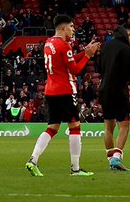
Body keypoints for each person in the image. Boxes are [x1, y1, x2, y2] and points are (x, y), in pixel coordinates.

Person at [25, 14, 101, 177]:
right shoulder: (64, 45)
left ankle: (33, 159)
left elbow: (67, 60)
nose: (73, 30)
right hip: (66, 90)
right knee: (75, 127)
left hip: (51, 91)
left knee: (52, 127)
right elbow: (74, 69)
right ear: (62, 28)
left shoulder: (49, 42)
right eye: (71, 26)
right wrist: (87, 56)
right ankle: (75, 169)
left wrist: (84, 51)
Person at [97, 23, 130, 171]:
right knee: (124, 125)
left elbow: (99, 67)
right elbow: (127, 73)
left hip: (104, 89)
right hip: (119, 90)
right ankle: (116, 158)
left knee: (108, 126)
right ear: (127, 33)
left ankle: (110, 159)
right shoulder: (126, 49)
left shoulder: (106, 46)